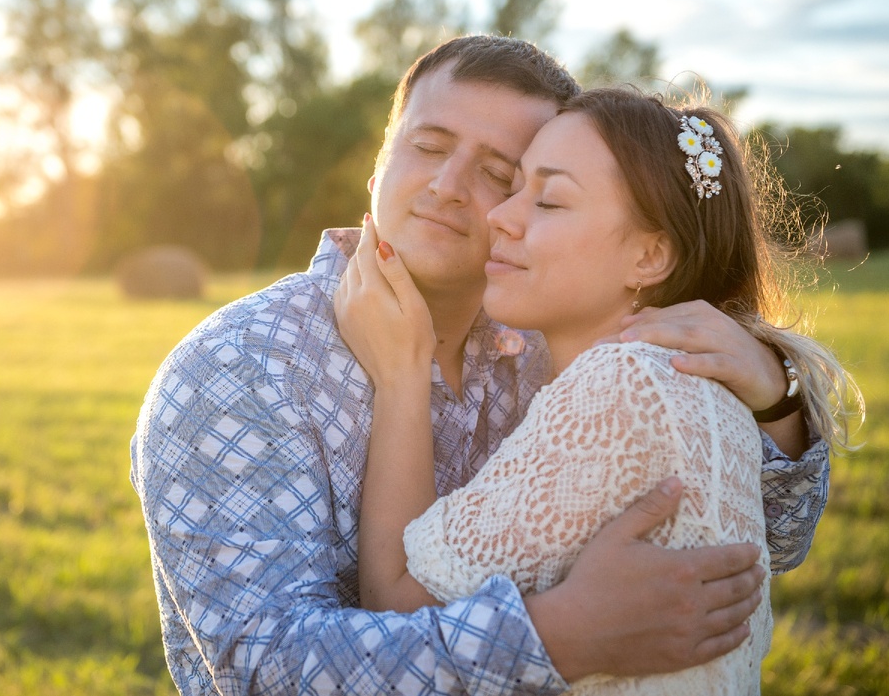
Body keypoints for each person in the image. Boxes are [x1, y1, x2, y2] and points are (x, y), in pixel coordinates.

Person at [131, 35, 831, 695]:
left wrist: (775, 396)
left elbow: (761, 542)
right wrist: (558, 635)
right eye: (428, 146)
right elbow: (269, 670)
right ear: (379, 164)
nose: (448, 185)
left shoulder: (557, 341)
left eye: (505, 174)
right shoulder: (239, 367)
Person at [335, 87, 858, 694]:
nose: (500, 216)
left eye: (550, 200)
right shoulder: (693, 376)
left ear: (650, 255)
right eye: (515, 187)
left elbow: (398, 605)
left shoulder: (621, 387)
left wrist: (403, 374)